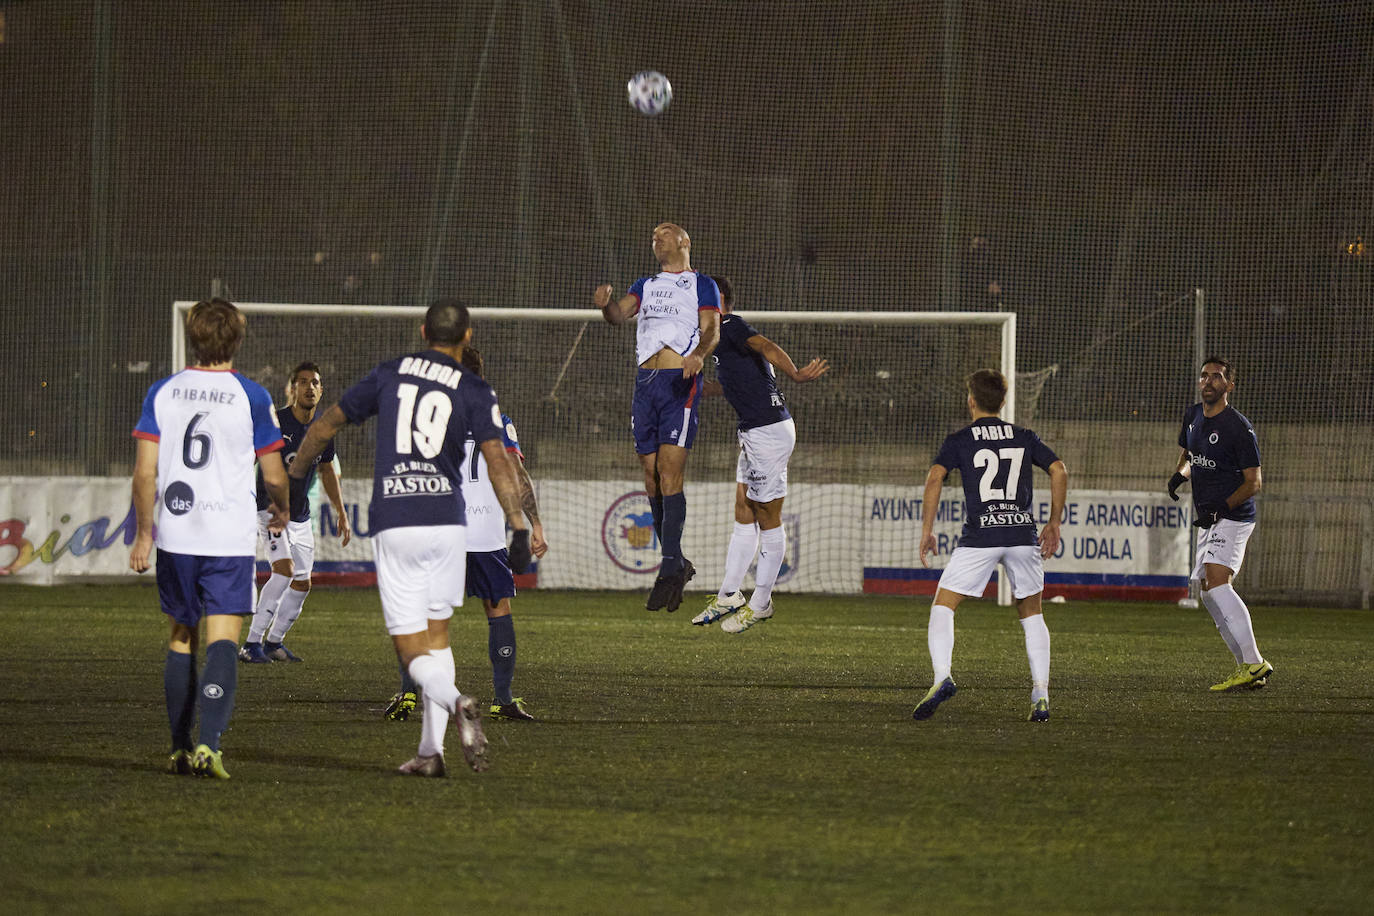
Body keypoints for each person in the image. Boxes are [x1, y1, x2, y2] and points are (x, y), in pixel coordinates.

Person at [288, 299, 528, 777]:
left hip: (398, 520)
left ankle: (456, 701)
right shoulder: (475, 388)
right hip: (447, 525)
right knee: (438, 639)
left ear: (423, 331)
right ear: (467, 336)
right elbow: (501, 459)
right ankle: (429, 753)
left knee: (411, 648)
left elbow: (324, 426)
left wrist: (296, 474)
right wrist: (518, 523)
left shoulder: (390, 373)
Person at [129, 298, 289, 779]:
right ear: (237, 340)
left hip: (177, 533)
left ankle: (178, 747)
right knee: (224, 637)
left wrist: (143, 534)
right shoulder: (252, 396)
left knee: (182, 635)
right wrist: (280, 505)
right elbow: (275, 472)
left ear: (193, 338)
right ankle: (209, 745)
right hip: (228, 536)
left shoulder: (163, 391)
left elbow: (144, 473)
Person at [384, 346, 548, 724]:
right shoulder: (498, 421)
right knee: (498, 611)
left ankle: (410, 694)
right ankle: (502, 699)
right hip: (486, 537)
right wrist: (534, 524)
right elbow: (517, 477)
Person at [912, 369, 1068, 723]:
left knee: (944, 605)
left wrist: (927, 530)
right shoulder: (1024, 436)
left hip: (980, 535)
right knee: (1032, 614)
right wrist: (1054, 522)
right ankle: (1040, 692)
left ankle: (942, 677)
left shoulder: (959, 440)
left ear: (971, 400)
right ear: (1003, 401)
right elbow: (1059, 469)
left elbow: (935, 476)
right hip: (1020, 534)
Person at [690, 276, 829, 632]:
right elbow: (736, 383)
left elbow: (766, 345)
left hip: (769, 432)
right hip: (754, 431)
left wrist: (796, 374)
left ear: (719, 301)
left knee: (768, 517)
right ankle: (728, 595)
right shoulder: (719, 339)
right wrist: (699, 389)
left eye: (703, 298)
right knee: (743, 510)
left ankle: (761, 601)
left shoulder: (730, 325)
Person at [594, 222, 721, 612]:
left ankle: (668, 568)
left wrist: (699, 355)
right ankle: (677, 563)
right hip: (645, 384)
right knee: (650, 478)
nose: (656, 237)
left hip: (677, 383)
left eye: (664, 232)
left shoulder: (702, 284)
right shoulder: (644, 285)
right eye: (652, 235)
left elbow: (711, 329)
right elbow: (618, 316)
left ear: (685, 241)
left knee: (669, 475)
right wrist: (605, 305)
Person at [1167, 357, 1272, 691]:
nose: (1208, 381)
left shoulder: (1238, 428)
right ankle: (1246, 669)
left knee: (1217, 582)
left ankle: (1255, 662)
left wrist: (1222, 508)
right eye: (1203, 376)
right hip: (1209, 516)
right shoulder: (1193, 415)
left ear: (1230, 385)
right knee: (1209, 594)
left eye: (1216, 377)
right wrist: (1178, 476)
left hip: (1233, 516)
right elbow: (1189, 457)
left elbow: (1254, 482)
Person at [239, 361, 351, 664]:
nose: (309, 387)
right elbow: (248, 458)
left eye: (315, 382)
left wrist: (341, 511)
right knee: (284, 570)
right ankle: (251, 643)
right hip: (270, 509)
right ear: (293, 388)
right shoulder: (276, 421)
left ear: (321, 389)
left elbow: (328, 470)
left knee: (302, 583)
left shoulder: (323, 429)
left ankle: (274, 642)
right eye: (303, 382)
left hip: (301, 515)